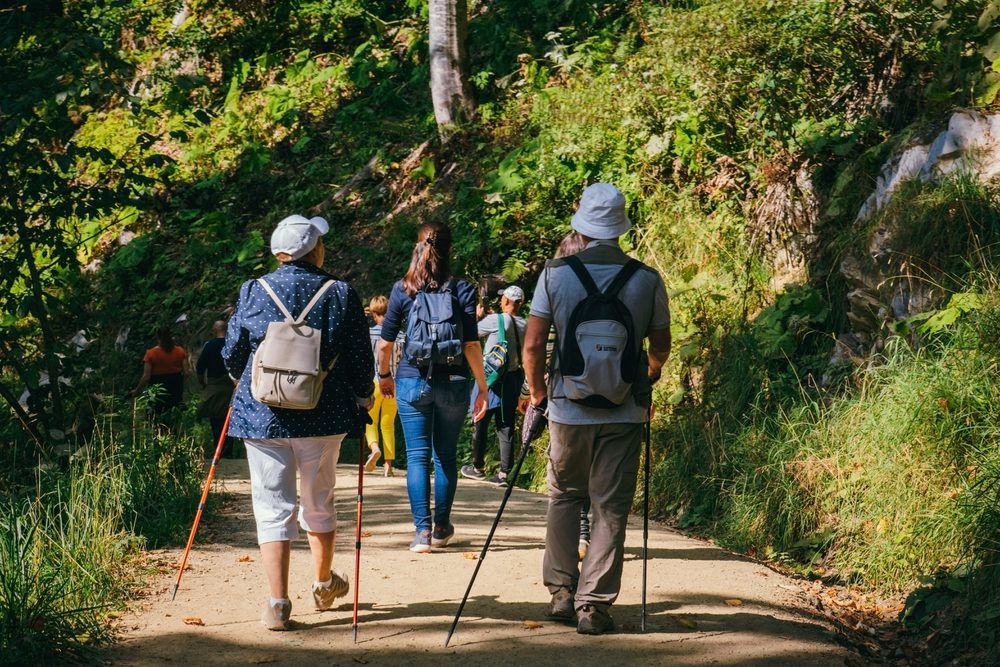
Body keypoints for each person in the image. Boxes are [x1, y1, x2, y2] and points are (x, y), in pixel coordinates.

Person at [523, 183, 671, 635]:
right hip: (624, 411)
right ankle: (594, 606)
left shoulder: (554, 275)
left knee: (565, 496)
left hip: (568, 408)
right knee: (609, 507)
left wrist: (537, 394)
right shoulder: (646, 279)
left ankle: (562, 594)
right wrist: (647, 375)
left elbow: (531, 345)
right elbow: (661, 345)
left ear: (582, 226)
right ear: (620, 227)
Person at [222, 213, 374, 631]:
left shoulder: (253, 289)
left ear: (279, 253)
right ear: (315, 250)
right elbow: (361, 358)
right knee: (319, 500)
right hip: (323, 415)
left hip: (262, 415)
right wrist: (364, 397)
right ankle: (324, 584)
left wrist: (244, 378)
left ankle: (277, 604)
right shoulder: (340, 292)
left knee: (272, 508)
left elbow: (233, 353)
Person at [376, 221, 488, 553]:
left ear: (416, 247)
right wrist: (482, 387)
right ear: (449, 249)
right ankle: (441, 528)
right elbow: (470, 346)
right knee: (445, 457)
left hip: (412, 378)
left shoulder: (403, 289)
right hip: (453, 381)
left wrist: (384, 376)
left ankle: (421, 533)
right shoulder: (462, 290)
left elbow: (384, 345)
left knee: (417, 457)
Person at [461, 285, 527, 486]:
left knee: (480, 419)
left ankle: (477, 467)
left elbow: (468, 334)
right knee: (505, 425)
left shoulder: (494, 320)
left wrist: (477, 316)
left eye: (502, 299)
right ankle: (504, 474)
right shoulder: (526, 324)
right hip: (513, 379)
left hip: (490, 379)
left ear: (506, 301)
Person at [365, 295, 399, 477]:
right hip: (395, 384)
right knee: (388, 424)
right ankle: (388, 465)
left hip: (375, 382)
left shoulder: (369, 334)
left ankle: (375, 447)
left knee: (370, 422)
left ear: (373, 313)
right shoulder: (401, 335)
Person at [196, 320, 237, 458]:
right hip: (231, 386)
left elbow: (200, 367)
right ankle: (228, 451)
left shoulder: (210, 345)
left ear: (214, 330)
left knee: (215, 419)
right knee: (228, 419)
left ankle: (218, 451)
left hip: (214, 386)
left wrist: (203, 384)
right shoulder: (233, 344)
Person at [129, 325, 188, 421]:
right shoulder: (180, 351)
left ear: (157, 337)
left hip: (157, 389)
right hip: (175, 387)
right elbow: (187, 372)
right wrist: (181, 383)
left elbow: (146, 377)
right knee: (174, 415)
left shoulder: (151, 354)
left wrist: (137, 390)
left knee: (156, 416)